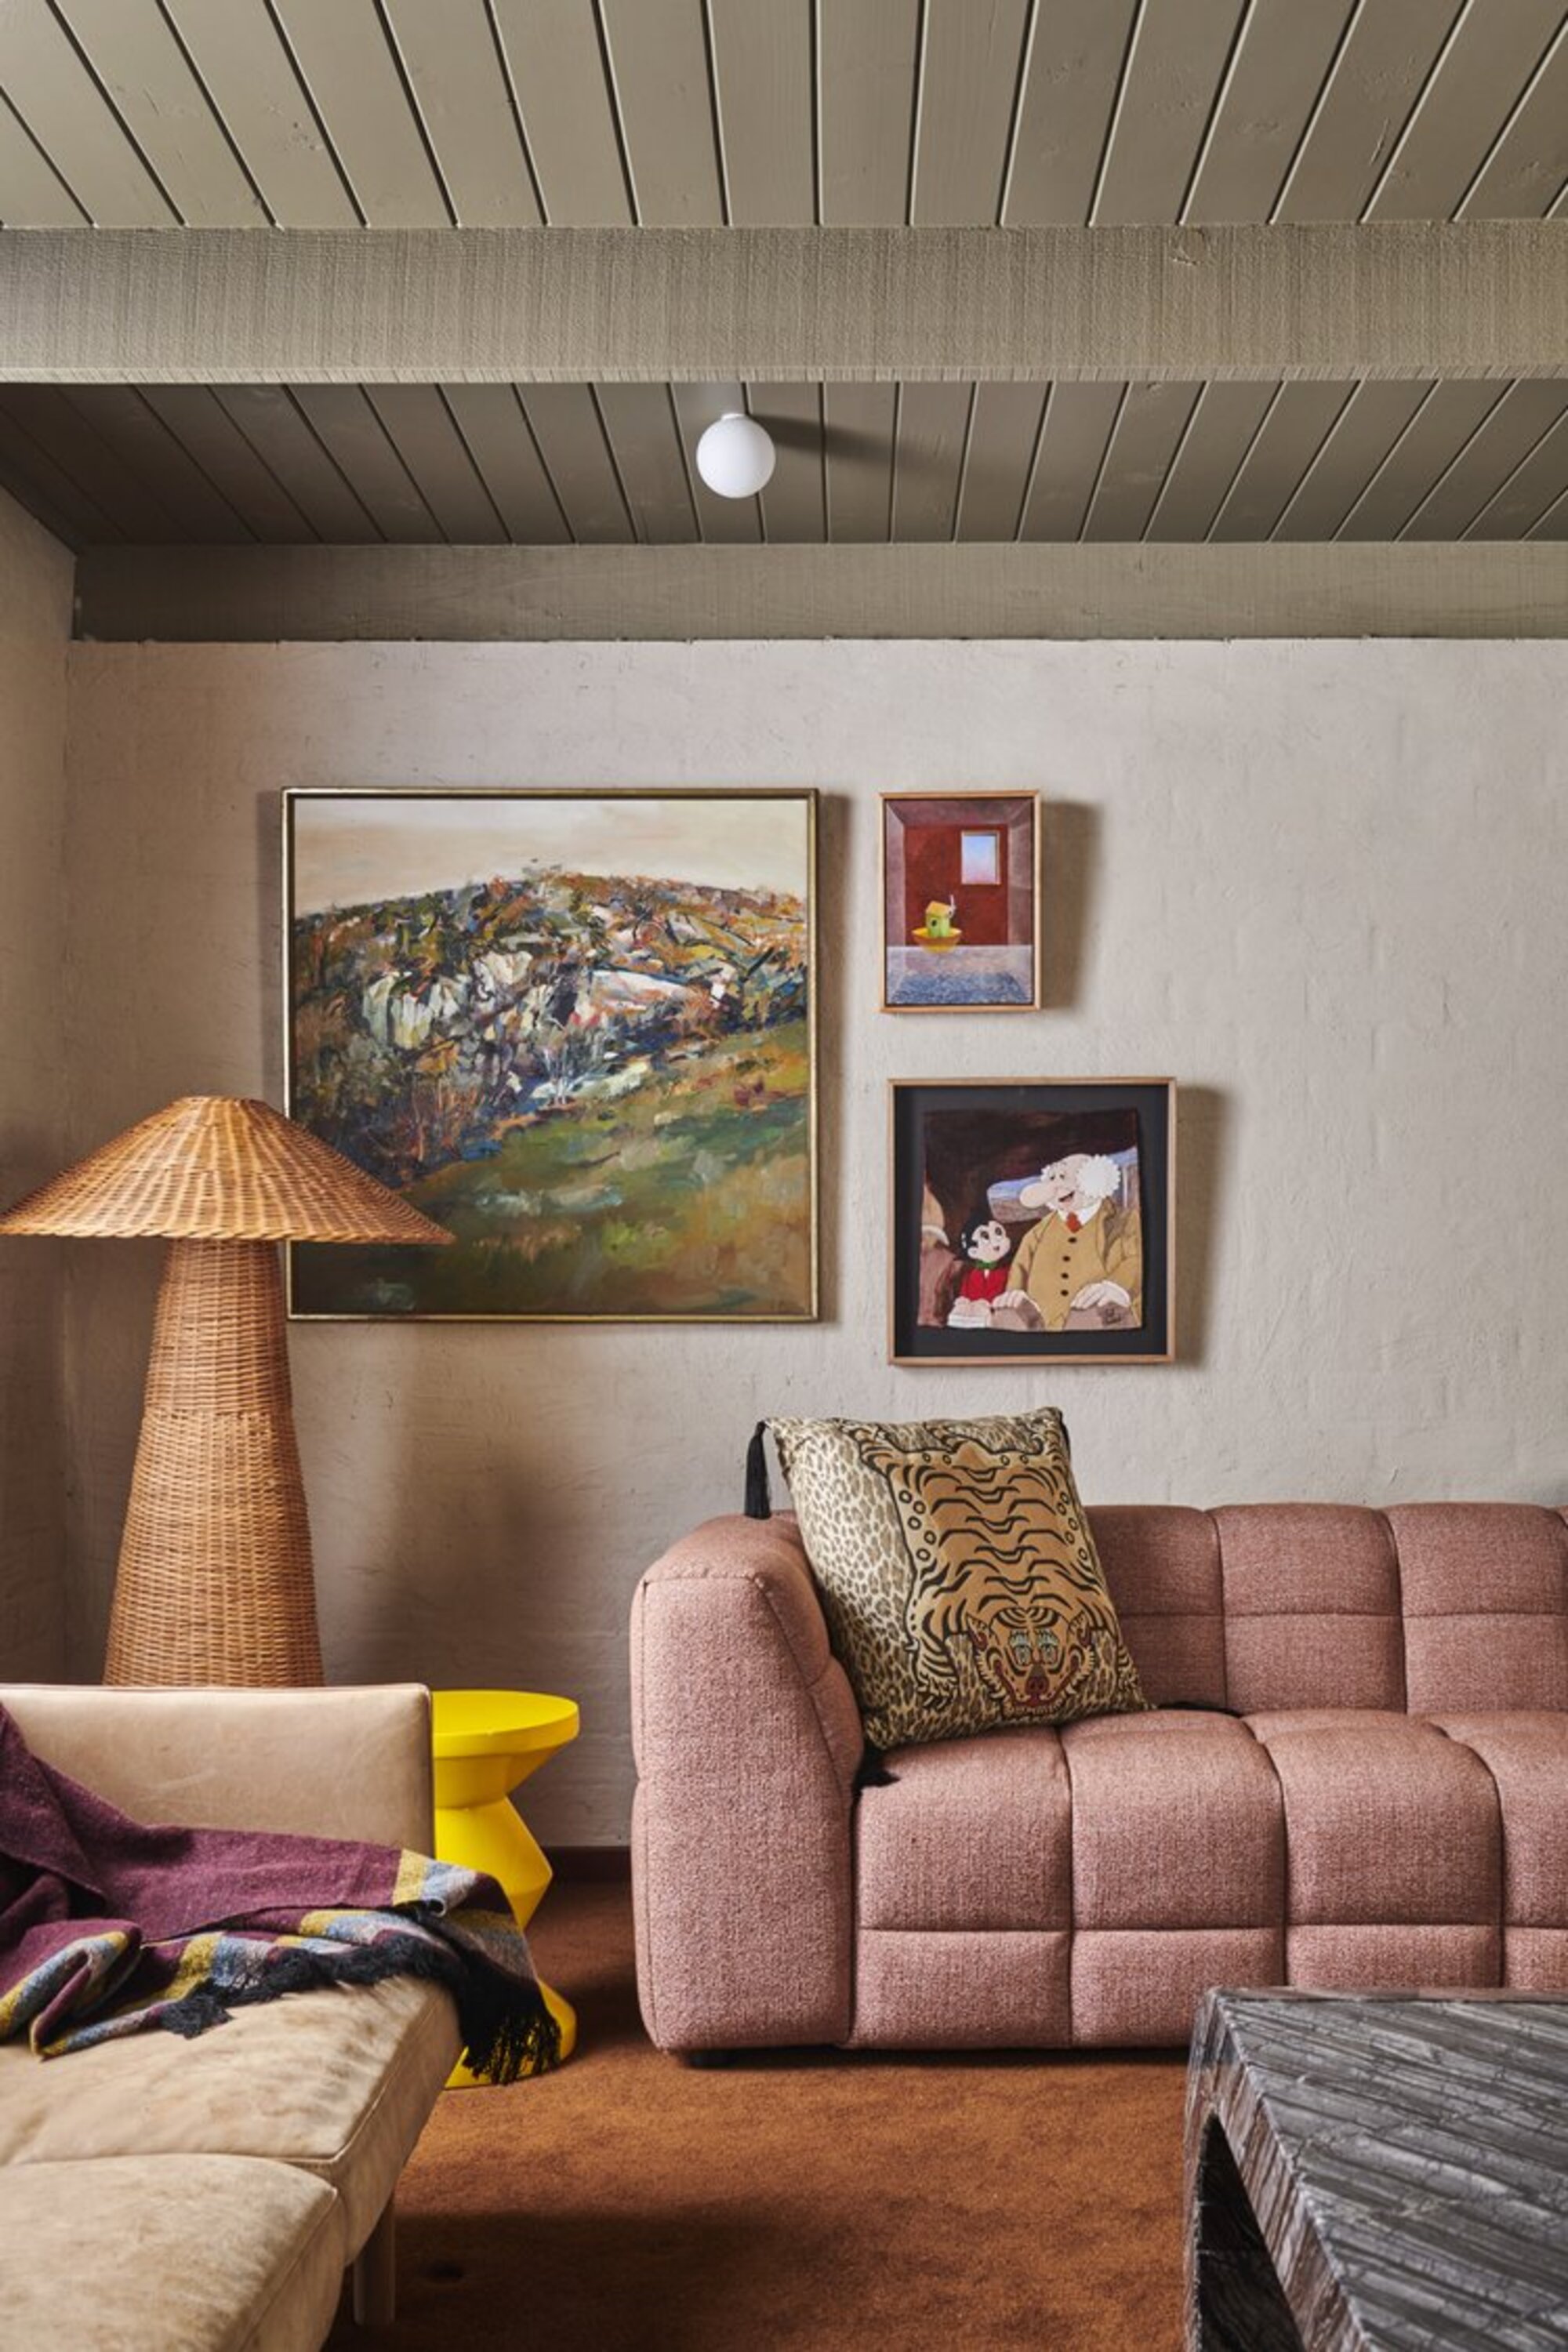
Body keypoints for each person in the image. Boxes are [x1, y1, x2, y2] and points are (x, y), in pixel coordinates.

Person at [998, 1152, 1142, 1331]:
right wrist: (1015, 1295)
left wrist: (1118, 1286)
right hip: (1043, 1329)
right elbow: (1020, 1269)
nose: (1055, 1185)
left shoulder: (1125, 1221)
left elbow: (1139, 1260)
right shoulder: (1037, 1233)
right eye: (1052, 1178)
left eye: (1063, 1176)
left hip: (1102, 1323)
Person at [946, 1211, 1014, 1328]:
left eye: (998, 1232)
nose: (996, 1241)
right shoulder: (969, 1276)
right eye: (986, 1237)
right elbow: (965, 1294)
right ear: (973, 1252)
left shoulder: (1007, 1273)